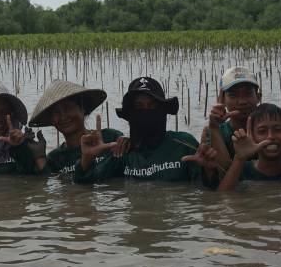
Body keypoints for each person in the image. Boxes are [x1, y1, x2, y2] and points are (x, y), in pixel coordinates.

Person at [74, 76, 219, 186]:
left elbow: (207, 193)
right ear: (130, 114)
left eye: (152, 106)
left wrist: (210, 171)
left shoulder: (183, 145)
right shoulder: (122, 152)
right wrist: (87, 157)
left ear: (163, 110)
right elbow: (84, 186)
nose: (146, 112)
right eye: (139, 107)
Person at [28, 79, 126, 175]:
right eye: (56, 112)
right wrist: (39, 158)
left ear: (83, 109)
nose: (63, 117)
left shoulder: (111, 138)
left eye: (68, 108)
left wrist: (131, 142)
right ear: (52, 120)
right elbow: (46, 183)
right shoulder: (55, 158)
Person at [218, 103, 281, 190]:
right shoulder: (241, 171)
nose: (270, 136)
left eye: (277, 130)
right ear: (252, 136)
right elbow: (223, 197)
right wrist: (240, 158)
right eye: (262, 131)